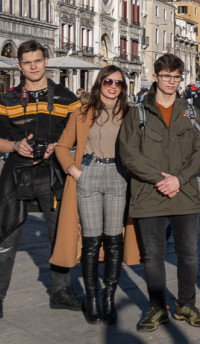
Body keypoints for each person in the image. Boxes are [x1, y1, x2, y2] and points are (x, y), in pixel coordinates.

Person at [0, 40, 82, 328]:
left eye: (38, 60)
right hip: (16, 173)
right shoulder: (7, 100)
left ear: (45, 61)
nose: (34, 66)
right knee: (6, 237)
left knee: (59, 236)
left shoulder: (66, 98)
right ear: (19, 66)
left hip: (54, 174)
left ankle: (61, 291)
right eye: (27, 62)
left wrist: (58, 146)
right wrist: (15, 145)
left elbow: (80, 136)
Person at [119, 54, 200, 333]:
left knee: (189, 254)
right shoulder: (138, 113)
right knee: (152, 256)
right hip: (149, 194)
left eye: (176, 77)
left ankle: (186, 304)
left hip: (185, 193)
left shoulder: (191, 113)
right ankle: (157, 308)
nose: (171, 81)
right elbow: (129, 154)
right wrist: (161, 179)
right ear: (156, 77)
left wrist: (178, 179)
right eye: (166, 76)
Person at [49, 65, 138, 325]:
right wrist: (74, 171)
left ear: (123, 87)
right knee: (90, 239)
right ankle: (92, 299)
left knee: (113, 240)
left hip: (118, 176)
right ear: (99, 83)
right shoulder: (82, 113)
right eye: (108, 81)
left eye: (118, 83)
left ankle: (108, 298)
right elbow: (62, 146)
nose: (113, 86)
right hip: (88, 173)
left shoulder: (130, 114)